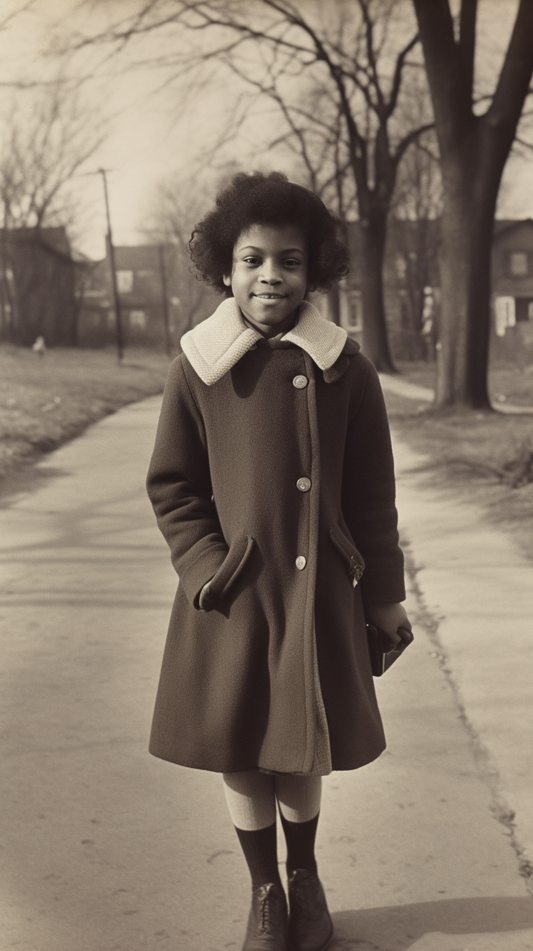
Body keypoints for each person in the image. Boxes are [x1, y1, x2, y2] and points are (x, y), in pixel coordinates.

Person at [146, 171, 411, 951]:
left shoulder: (345, 368)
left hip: (320, 592)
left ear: (313, 270)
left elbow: (372, 492)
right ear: (224, 269)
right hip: (235, 596)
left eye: (289, 261)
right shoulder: (198, 368)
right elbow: (173, 485)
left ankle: (305, 875)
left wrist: (384, 598)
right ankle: (263, 890)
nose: (271, 276)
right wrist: (207, 570)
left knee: (301, 745)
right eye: (253, 260)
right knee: (241, 746)